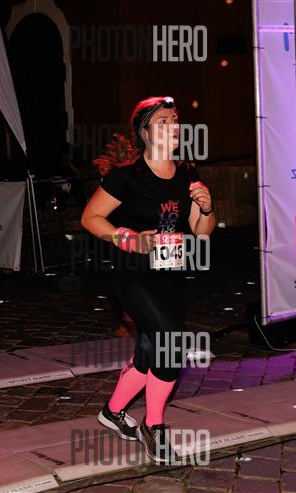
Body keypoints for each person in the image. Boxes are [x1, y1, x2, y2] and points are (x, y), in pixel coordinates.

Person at [81, 96, 216, 463]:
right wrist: (127, 237)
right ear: (144, 132)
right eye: (163, 122)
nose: (173, 127)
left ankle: (112, 412)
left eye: (175, 121)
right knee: (172, 343)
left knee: (149, 351)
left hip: (171, 272)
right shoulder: (126, 175)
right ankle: (153, 426)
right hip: (133, 274)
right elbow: (90, 217)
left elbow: (202, 231)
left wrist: (206, 208)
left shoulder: (187, 172)